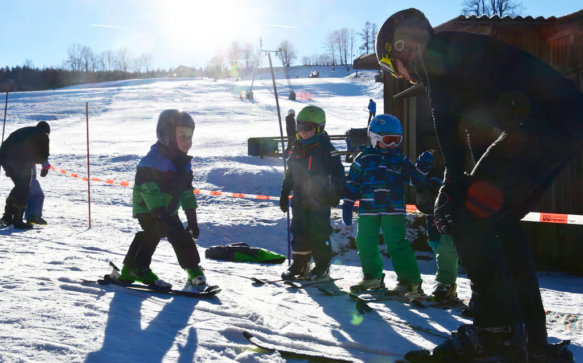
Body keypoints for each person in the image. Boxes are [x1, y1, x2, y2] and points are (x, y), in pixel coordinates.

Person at [376, 8, 581, 362]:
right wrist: (462, 177)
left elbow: (444, 117)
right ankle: (532, 344)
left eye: (394, 65)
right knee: (498, 220)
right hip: (560, 122)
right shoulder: (458, 52)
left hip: (543, 125)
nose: (403, 76)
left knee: (462, 209)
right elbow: (465, 129)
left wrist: (454, 181)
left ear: (401, 47)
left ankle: (494, 332)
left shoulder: (434, 52)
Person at [114, 109, 205, 288]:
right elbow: (149, 191)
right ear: (166, 135)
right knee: (154, 231)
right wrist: (159, 215)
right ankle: (136, 268)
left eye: (190, 136)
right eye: (182, 136)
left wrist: (192, 218)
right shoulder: (152, 161)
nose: (187, 141)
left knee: (180, 235)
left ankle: (192, 268)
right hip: (148, 208)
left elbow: (187, 191)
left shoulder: (183, 163)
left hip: (168, 209)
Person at [342, 114, 433, 294]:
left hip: (393, 209)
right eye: (389, 140)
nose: (393, 145)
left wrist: (422, 168)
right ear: (375, 138)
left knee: (397, 243)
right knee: (365, 242)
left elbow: (412, 179)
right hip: (368, 209)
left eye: (397, 140)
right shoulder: (363, 158)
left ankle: (410, 281)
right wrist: (347, 202)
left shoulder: (398, 158)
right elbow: (353, 181)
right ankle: (372, 277)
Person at [279, 105, 345, 281]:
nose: (303, 131)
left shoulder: (326, 148)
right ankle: (301, 263)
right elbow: (291, 172)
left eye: (307, 127)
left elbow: (338, 173)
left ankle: (322, 266)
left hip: (319, 198)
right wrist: (285, 191)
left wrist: (336, 192)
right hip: (300, 198)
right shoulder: (297, 147)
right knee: (299, 230)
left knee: (319, 231)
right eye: (300, 127)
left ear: (319, 127)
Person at [0, 121, 51, 230]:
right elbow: (42, 157)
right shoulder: (43, 135)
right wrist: (44, 167)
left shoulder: (23, 130)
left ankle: (7, 217)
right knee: (24, 188)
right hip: (22, 162)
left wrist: (7, 165)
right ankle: (17, 220)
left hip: (5, 159)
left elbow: (5, 145)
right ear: (47, 131)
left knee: (19, 186)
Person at [415, 177, 458, 303]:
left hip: (452, 232)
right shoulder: (429, 208)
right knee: (443, 253)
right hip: (437, 237)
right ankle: (447, 285)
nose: (424, 200)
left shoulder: (446, 203)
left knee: (447, 250)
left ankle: (446, 284)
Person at [25, 160, 51, 225]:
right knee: (37, 195)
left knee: (27, 194)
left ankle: (30, 217)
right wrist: (45, 167)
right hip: (28, 172)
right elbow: (40, 153)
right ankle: (34, 216)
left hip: (16, 172)